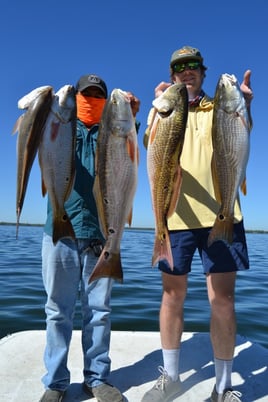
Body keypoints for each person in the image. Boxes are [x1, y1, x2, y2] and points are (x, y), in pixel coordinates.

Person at [142, 46, 253, 402]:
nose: (186, 72)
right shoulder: (163, 108)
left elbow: (239, 138)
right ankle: (171, 376)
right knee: (172, 296)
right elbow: (152, 149)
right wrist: (156, 110)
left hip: (222, 215)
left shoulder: (220, 106)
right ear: (172, 75)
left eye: (193, 67)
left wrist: (244, 104)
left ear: (203, 73)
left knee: (223, 300)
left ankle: (223, 386)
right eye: (179, 68)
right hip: (174, 218)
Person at [39, 74, 140, 402]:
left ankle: (97, 378)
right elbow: (38, 132)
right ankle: (55, 382)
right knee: (57, 310)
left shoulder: (114, 133)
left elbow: (137, 153)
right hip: (60, 232)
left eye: (99, 96)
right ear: (77, 95)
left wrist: (133, 118)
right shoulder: (61, 126)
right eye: (87, 94)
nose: (92, 100)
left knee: (99, 312)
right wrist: (46, 106)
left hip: (101, 235)